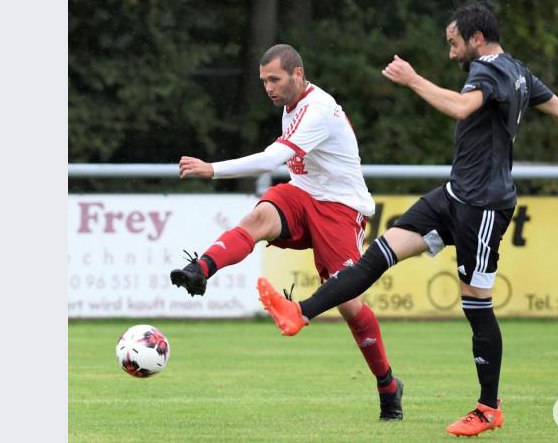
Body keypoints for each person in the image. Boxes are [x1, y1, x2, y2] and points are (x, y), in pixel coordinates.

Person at [257, 2, 558, 437]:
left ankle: (489, 408)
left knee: (477, 306)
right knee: (377, 256)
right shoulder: (519, 71)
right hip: (453, 196)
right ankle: (300, 313)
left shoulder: (489, 70)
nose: (450, 53)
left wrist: (413, 80)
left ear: (477, 38)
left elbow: (461, 108)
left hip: (484, 207)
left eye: (454, 43)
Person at [170, 44, 403, 421]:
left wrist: (211, 169)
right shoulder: (290, 106)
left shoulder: (318, 110)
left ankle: (388, 384)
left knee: (349, 304)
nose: (268, 87)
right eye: (263, 80)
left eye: (274, 79)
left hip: (341, 208)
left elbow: (271, 159)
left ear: (298, 74)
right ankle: (202, 269)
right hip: (302, 194)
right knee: (259, 217)